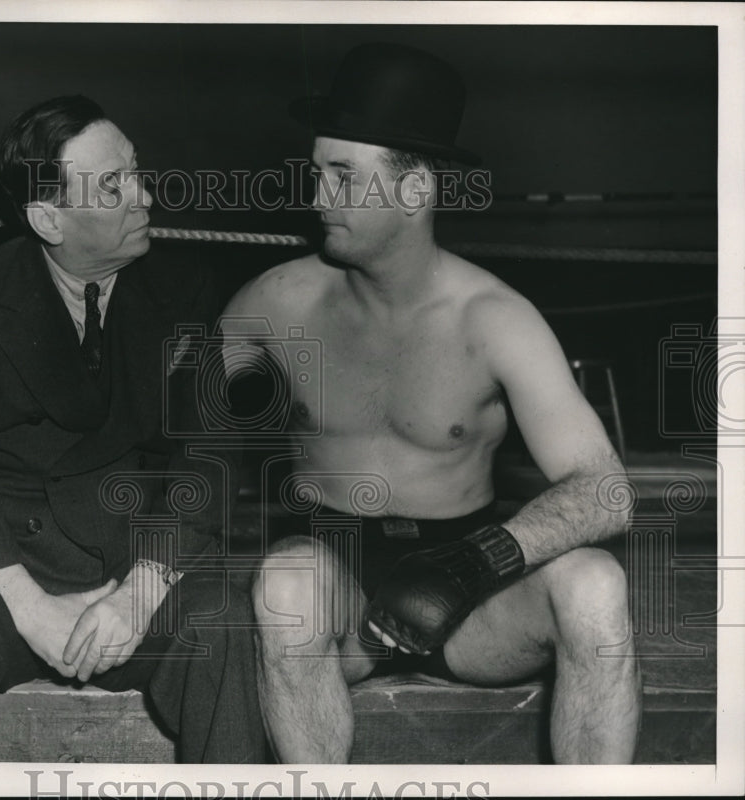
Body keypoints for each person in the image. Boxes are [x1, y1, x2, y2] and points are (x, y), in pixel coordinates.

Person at [222, 43, 641, 764]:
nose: (317, 197)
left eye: (343, 177)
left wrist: (470, 568)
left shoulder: (495, 319)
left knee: (597, 585)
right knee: (287, 581)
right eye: (317, 173)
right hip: (340, 591)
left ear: (414, 193)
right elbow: (163, 420)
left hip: (475, 601)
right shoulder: (273, 302)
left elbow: (606, 492)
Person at [0, 95, 266, 762]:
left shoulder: (184, 288)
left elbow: (211, 459)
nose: (144, 196)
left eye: (136, 171)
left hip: (133, 577)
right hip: (3, 578)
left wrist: (141, 593)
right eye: (113, 185)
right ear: (47, 216)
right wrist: (29, 605)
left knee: (223, 619)